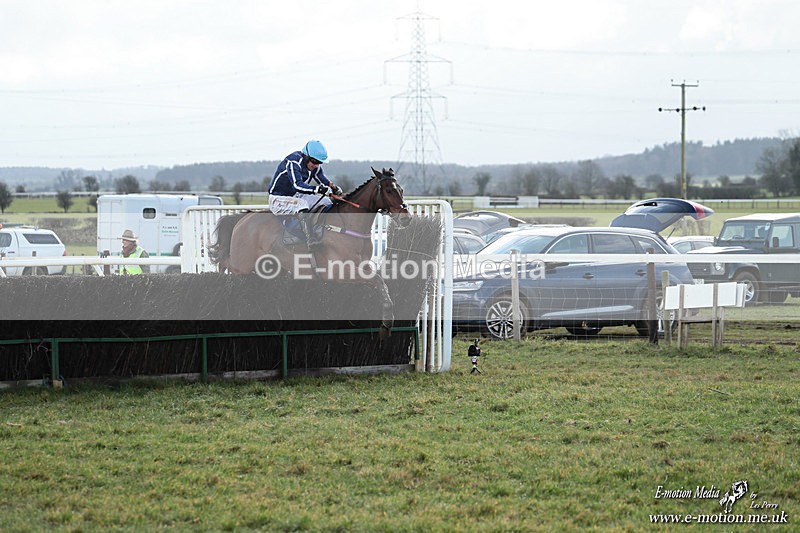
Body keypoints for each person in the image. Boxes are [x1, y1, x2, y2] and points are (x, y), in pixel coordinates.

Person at [267, 140, 342, 249]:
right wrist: (318, 189)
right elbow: (297, 185)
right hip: (278, 199)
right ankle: (309, 239)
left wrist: (334, 189)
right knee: (301, 204)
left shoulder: (313, 166)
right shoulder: (293, 162)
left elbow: (323, 180)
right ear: (306, 157)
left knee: (326, 201)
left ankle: (322, 230)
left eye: (319, 163)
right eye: (314, 162)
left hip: (296, 196)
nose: (316, 165)